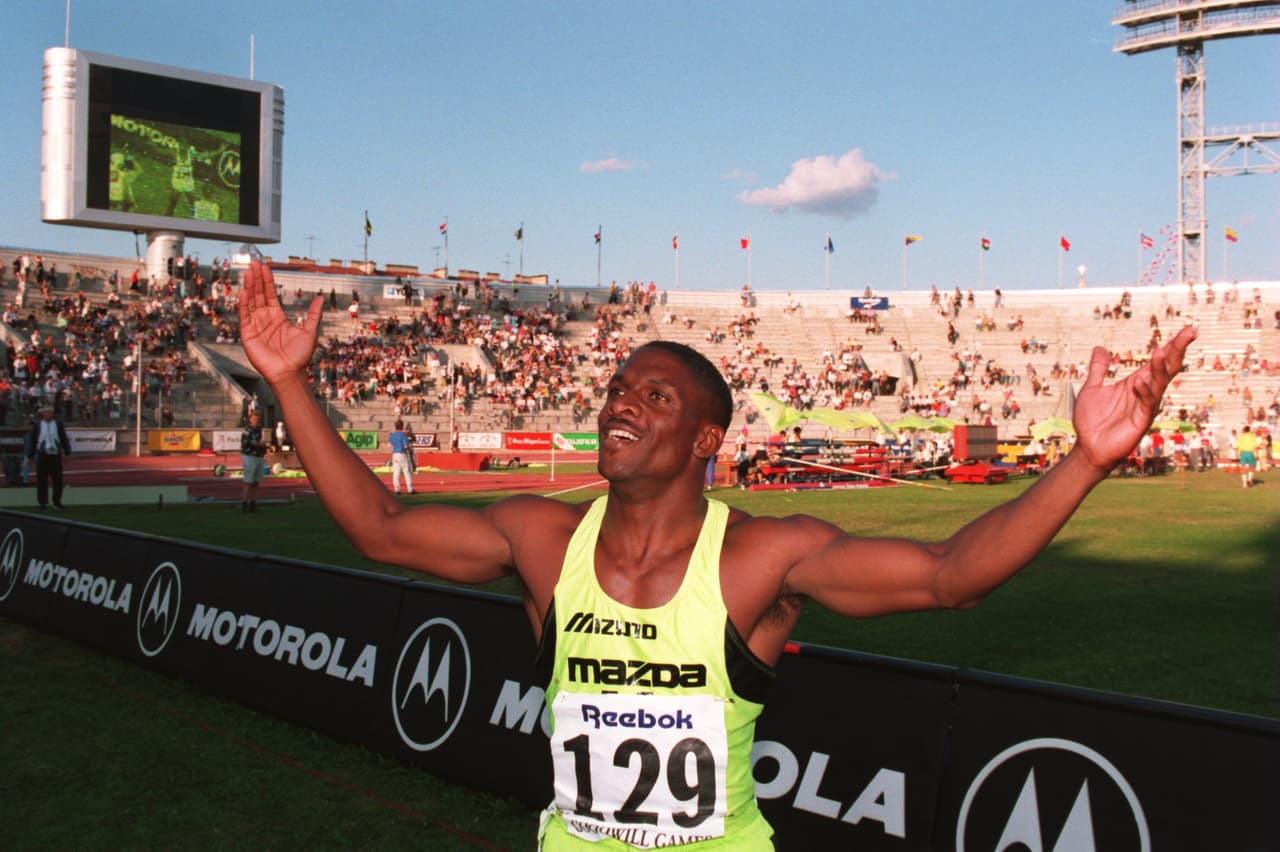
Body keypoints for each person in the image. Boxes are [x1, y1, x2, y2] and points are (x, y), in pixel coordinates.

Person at [238, 262, 1195, 850]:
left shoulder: (759, 559)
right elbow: (380, 530)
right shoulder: (541, 538)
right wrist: (289, 382)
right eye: (619, 388)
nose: (622, 403)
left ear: (706, 442)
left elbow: (950, 575)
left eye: (655, 398)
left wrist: (1085, 460)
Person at [27, 403, 70, 511]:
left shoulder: (58, 424)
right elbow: (33, 441)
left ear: (53, 413)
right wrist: (30, 455)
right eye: (46, 412)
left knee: (58, 480)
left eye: (50, 412)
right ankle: (43, 503)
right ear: (42, 413)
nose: (48, 414)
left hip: (55, 455)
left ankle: (57, 502)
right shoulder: (38, 425)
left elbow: (63, 438)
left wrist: (67, 452)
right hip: (42, 455)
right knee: (42, 480)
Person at [240, 411, 268, 512]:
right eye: (254, 419)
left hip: (258, 456)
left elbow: (259, 442)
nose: (256, 421)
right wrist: (262, 445)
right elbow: (251, 443)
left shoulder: (259, 429)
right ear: (250, 419)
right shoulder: (247, 430)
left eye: (257, 419)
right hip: (249, 456)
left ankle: (252, 502)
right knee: (248, 481)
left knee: (256, 482)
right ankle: (244, 503)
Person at [388, 419, 415, 495]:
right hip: (402, 453)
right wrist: (409, 446)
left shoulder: (392, 435)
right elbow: (405, 446)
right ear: (402, 426)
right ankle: (410, 489)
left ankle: (397, 490)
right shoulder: (403, 435)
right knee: (406, 471)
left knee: (396, 472)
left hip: (395, 454)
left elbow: (390, 445)